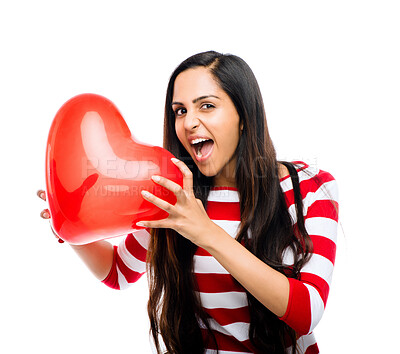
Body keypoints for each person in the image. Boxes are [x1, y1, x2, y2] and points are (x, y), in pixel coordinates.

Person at [38, 51, 339, 354]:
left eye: (206, 106)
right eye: (180, 111)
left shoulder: (307, 187)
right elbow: (118, 271)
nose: (189, 122)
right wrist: (67, 222)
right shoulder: (174, 193)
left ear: (244, 116)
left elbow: (307, 313)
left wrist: (205, 232)